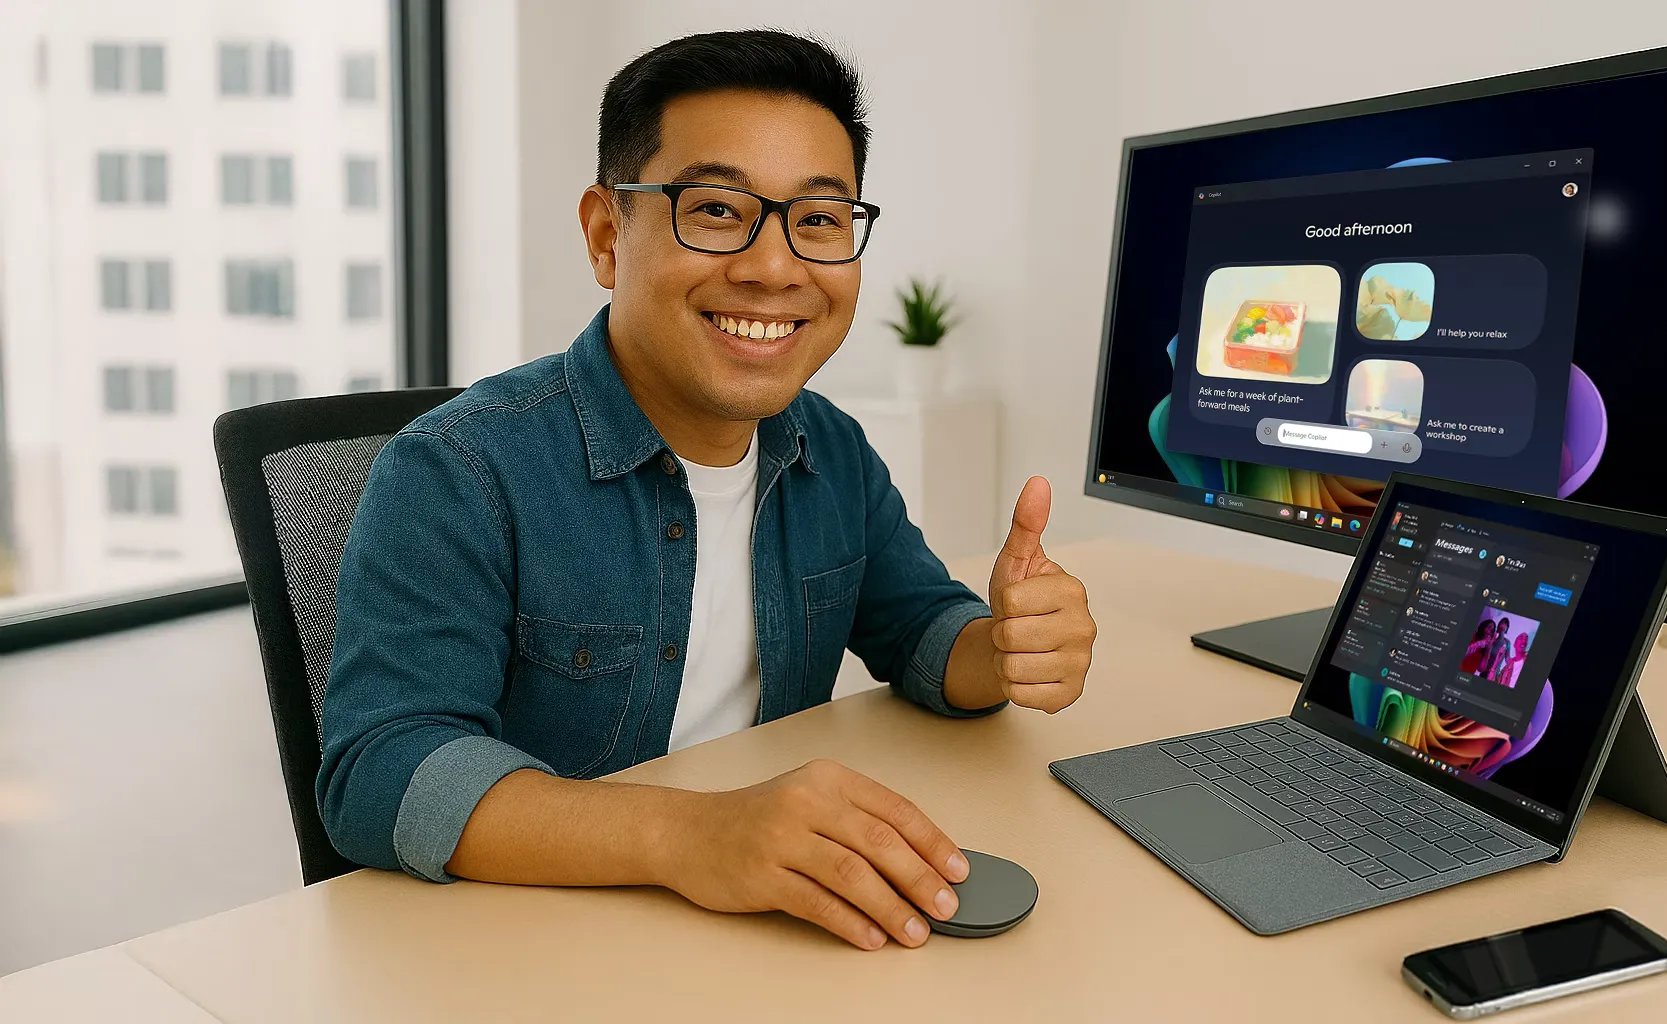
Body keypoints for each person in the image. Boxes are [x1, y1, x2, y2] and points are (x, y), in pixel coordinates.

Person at [317, 30, 1098, 953]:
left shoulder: (828, 446)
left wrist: (1003, 649)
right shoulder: (458, 470)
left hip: (764, 929)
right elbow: (382, 773)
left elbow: (922, 628)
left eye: (819, 220)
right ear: (607, 236)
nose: (774, 267)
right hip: (532, 949)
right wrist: (694, 835)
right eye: (718, 210)